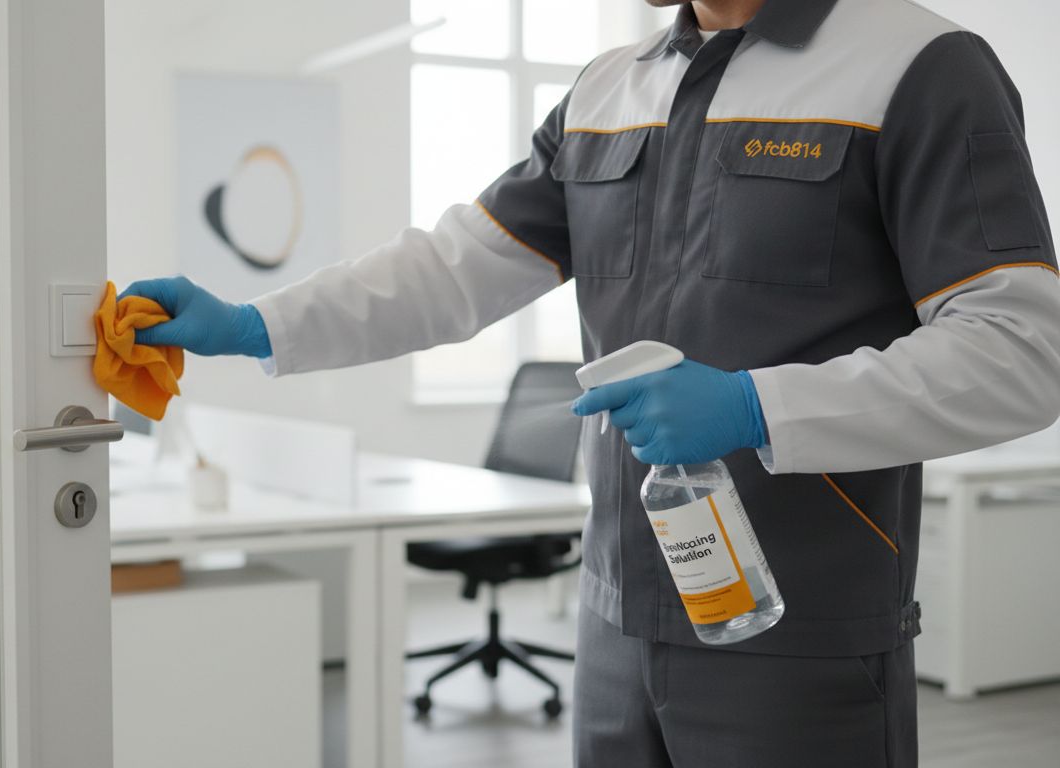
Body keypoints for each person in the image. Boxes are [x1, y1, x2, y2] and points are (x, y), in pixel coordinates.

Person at [123, 0, 1060, 764]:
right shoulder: (608, 89)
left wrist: (755, 405)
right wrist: (255, 325)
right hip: (616, 615)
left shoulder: (918, 65)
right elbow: (453, 268)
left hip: (797, 628)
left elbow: (1021, 350)